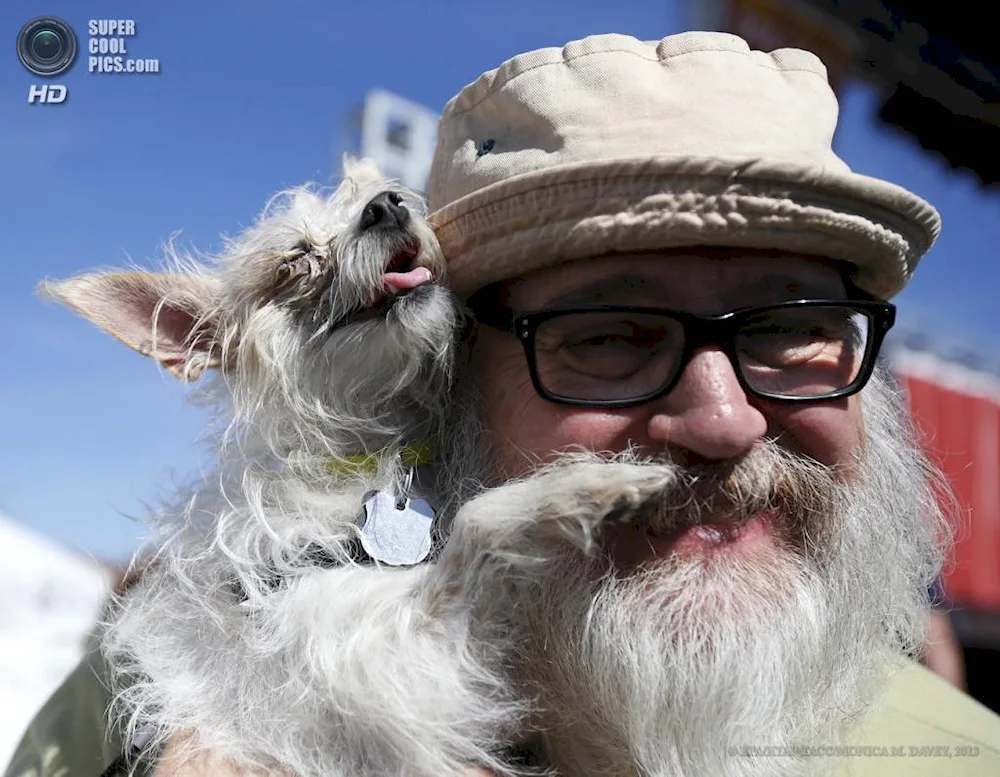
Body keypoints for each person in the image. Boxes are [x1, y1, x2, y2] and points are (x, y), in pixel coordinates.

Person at [9, 30, 1000, 777]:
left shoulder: (956, 757)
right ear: (452, 379)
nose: (723, 421)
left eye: (790, 329)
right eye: (610, 336)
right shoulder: (142, 703)